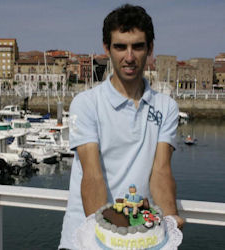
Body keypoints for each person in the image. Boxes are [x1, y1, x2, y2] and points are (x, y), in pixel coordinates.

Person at [59, 4, 184, 249]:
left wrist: (169, 218)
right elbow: (92, 175)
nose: (129, 57)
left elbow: (161, 171)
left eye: (138, 46)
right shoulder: (85, 104)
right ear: (107, 49)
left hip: (140, 239)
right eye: (120, 47)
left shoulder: (167, 107)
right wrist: (105, 238)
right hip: (86, 239)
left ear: (150, 49)